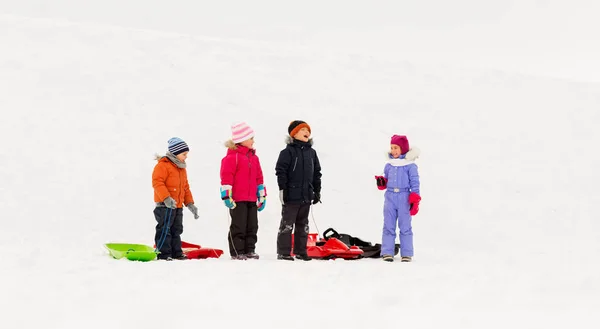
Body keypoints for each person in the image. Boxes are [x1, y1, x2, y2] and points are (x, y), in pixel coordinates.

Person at [275, 120, 322, 261]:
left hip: (306, 195)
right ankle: (283, 252)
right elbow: (280, 171)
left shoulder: (312, 153)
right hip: (291, 195)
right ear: (294, 133)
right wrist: (283, 189)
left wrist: (316, 191)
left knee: (303, 225)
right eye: (303, 130)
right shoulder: (287, 152)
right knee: (287, 225)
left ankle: (301, 251)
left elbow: (317, 173)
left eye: (308, 130)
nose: (307, 132)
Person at [220, 122, 266, 260]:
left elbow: (259, 177)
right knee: (239, 225)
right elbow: (226, 178)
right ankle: (237, 251)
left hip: (251, 198)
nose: (253, 141)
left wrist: (261, 195)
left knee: (252, 225)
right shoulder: (231, 158)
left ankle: (249, 249)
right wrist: (227, 196)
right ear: (241, 139)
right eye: (251, 138)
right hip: (238, 199)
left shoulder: (254, 158)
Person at [374, 135, 421, 262]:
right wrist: (382, 181)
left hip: (404, 197)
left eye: (396, 148)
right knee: (388, 224)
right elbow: (386, 179)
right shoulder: (389, 165)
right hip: (390, 197)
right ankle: (387, 252)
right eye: (392, 147)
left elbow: (415, 182)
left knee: (405, 225)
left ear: (403, 149)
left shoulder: (410, 166)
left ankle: (407, 253)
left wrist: (414, 198)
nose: (393, 151)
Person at [152, 137, 199, 261]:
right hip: (164, 206)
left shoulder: (182, 169)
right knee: (164, 229)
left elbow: (185, 188)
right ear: (175, 153)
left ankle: (176, 252)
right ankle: (163, 253)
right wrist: (166, 198)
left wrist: (190, 203)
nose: (186, 157)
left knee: (176, 230)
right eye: (184, 154)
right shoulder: (163, 166)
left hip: (177, 206)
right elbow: (157, 183)